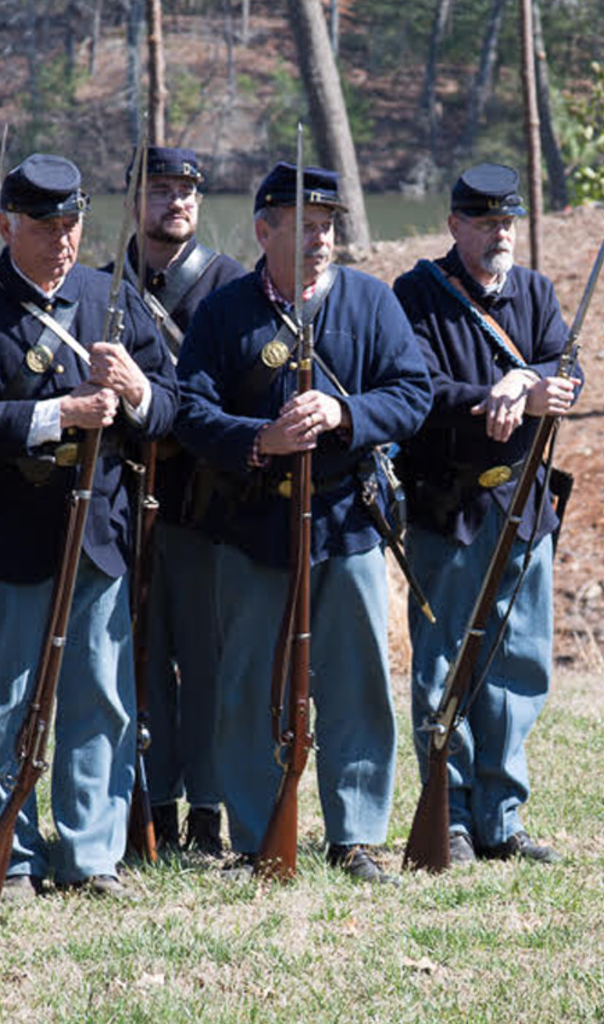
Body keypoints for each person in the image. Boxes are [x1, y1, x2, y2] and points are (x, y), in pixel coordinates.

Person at [0, 154, 178, 898]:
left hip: (96, 532)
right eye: (46, 227)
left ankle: (92, 853)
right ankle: (12, 853)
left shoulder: (113, 296)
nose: (63, 241)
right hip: (6, 530)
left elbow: (174, 405)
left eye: (72, 224)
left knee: (100, 696)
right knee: (0, 701)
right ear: (7, 224)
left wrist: (135, 392)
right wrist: (57, 415)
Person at [176, 161, 432, 883]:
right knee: (249, 682)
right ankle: (258, 834)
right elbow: (191, 412)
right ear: (265, 231)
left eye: (328, 227)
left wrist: (346, 414)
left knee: (356, 680)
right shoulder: (224, 313)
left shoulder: (371, 302)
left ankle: (356, 833)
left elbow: (411, 395)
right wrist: (263, 439)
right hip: (253, 525)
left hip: (347, 521)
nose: (321, 240)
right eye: (306, 227)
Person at [392, 164, 579, 866]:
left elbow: (567, 362)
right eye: (484, 221)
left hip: (524, 507)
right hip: (449, 506)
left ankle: (503, 817)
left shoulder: (534, 291)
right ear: (454, 226)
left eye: (507, 221)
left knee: (519, 666)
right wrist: (492, 395)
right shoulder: (415, 295)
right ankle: (454, 816)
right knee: (446, 668)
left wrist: (530, 379)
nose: (499, 233)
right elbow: (417, 390)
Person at [113, 146, 245, 855]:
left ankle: (208, 810)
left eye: (187, 191)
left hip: (202, 505)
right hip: (121, 506)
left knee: (207, 663)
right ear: (135, 200)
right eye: (160, 189)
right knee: (141, 660)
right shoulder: (105, 287)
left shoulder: (231, 288)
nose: (176, 202)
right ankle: (151, 804)